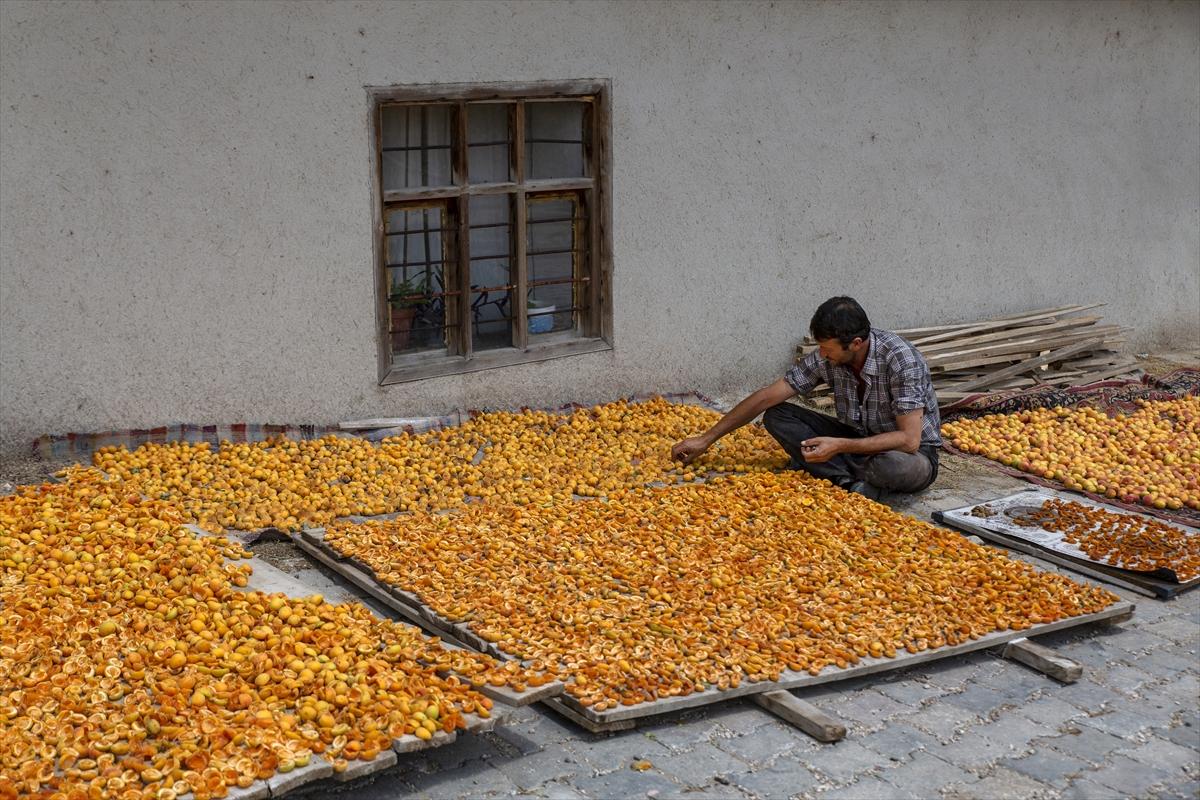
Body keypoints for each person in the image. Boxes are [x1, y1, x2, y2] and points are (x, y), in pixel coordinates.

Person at [671, 296, 941, 499]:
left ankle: (843, 472)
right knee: (778, 414)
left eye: (827, 348)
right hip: (856, 435)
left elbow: (909, 440)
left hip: (910, 453)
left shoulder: (901, 360)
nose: (822, 355)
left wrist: (838, 446)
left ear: (856, 344)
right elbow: (767, 397)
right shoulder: (829, 358)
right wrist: (706, 439)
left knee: (891, 465)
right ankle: (851, 483)